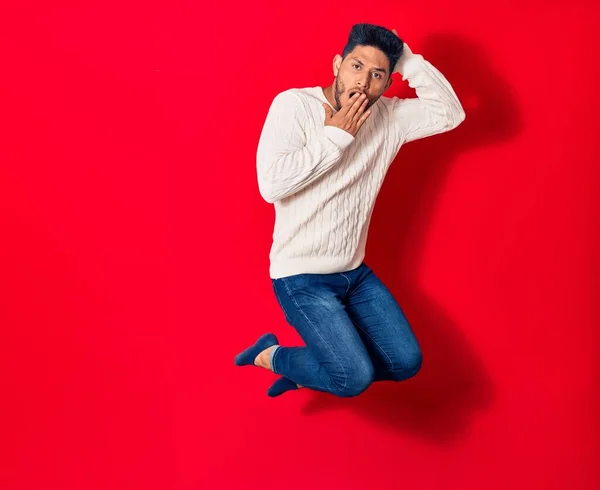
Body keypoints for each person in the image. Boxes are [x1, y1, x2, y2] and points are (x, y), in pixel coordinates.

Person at [234, 23, 465, 398]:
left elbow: (450, 115)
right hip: (300, 278)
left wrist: (405, 59)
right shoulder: (294, 105)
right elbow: (271, 185)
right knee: (351, 379)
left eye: (377, 75)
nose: (363, 83)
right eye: (356, 67)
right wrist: (336, 138)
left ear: (388, 84)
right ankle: (270, 355)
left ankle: (313, 370)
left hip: (354, 273)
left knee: (406, 362)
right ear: (337, 64)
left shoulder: (389, 117)